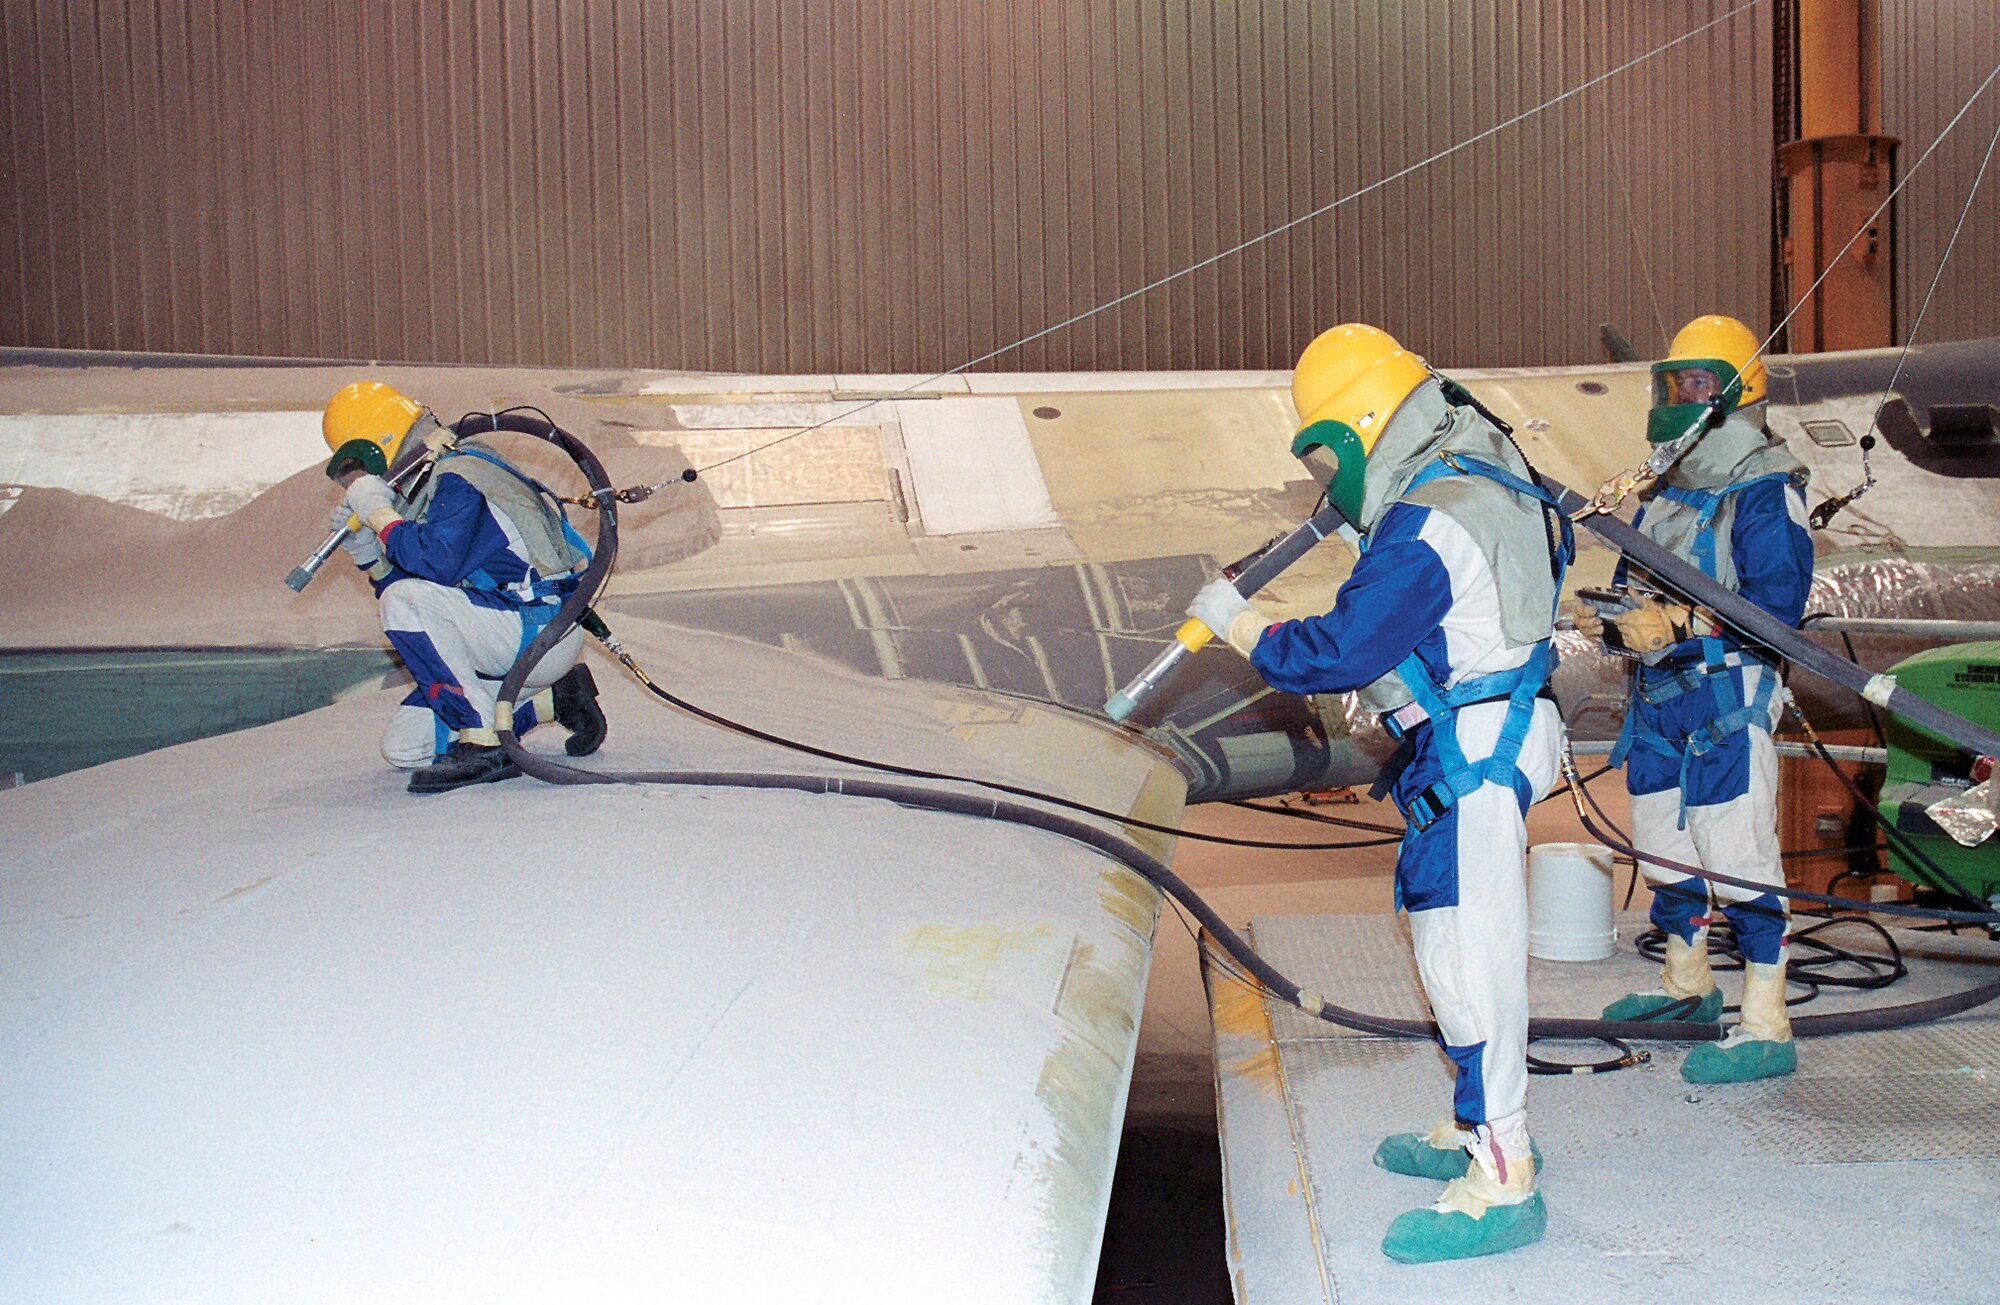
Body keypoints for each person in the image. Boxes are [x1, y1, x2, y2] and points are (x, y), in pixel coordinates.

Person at [1185, 323, 1571, 1264]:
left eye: (1325, 450)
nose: (1324, 473)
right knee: (1449, 947)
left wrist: (1241, 624)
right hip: (1477, 740)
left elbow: (1344, 646)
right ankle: (1477, 1124)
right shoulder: (1478, 484)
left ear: (1364, 426)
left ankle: (1503, 1171)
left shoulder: (1435, 517)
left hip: (1477, 753)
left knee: (1468, 961)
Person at [1574, 314, 1813, 1084]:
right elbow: (1639, 577)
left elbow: (1777, 605)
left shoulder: (1766, 488)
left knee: (1737, 853)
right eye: (1673, 382)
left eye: (1698, 383)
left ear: (1736, 392)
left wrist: (1680, 620)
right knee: (1661, 842)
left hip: (1725, 693)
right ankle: (1687, 984)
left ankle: (1767, 1020)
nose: (1682, 396)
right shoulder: (1668, 486)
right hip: (1661, 696)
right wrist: (1614, 617)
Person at [321, 381, 607, 794]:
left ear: (378, 442)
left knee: (406, 603)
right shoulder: (431, 484)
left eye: (359, 466)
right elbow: (423, 592)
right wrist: (369, 554)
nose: (364, 477)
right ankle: (555, 699)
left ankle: (483, 742)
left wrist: (381, 515)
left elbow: (433, 568)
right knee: (404, 748)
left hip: (536, 629)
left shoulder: (462, 475)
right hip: (505, 639)